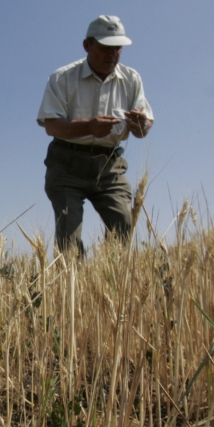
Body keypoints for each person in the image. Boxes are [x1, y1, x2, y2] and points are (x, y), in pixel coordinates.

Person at [37, 15, 154, 254]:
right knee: (68, 240)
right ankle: (72, 288)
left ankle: (112, 286)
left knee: (124, 228)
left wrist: (141, 125)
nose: (112, 53)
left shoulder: (131, 79)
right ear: (87, 45)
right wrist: (88, 127)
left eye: (117, 48)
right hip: (66, 165)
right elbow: (51, 126)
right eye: (105, 47)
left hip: (110, 166)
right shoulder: (62, 78)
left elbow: (144, 127)